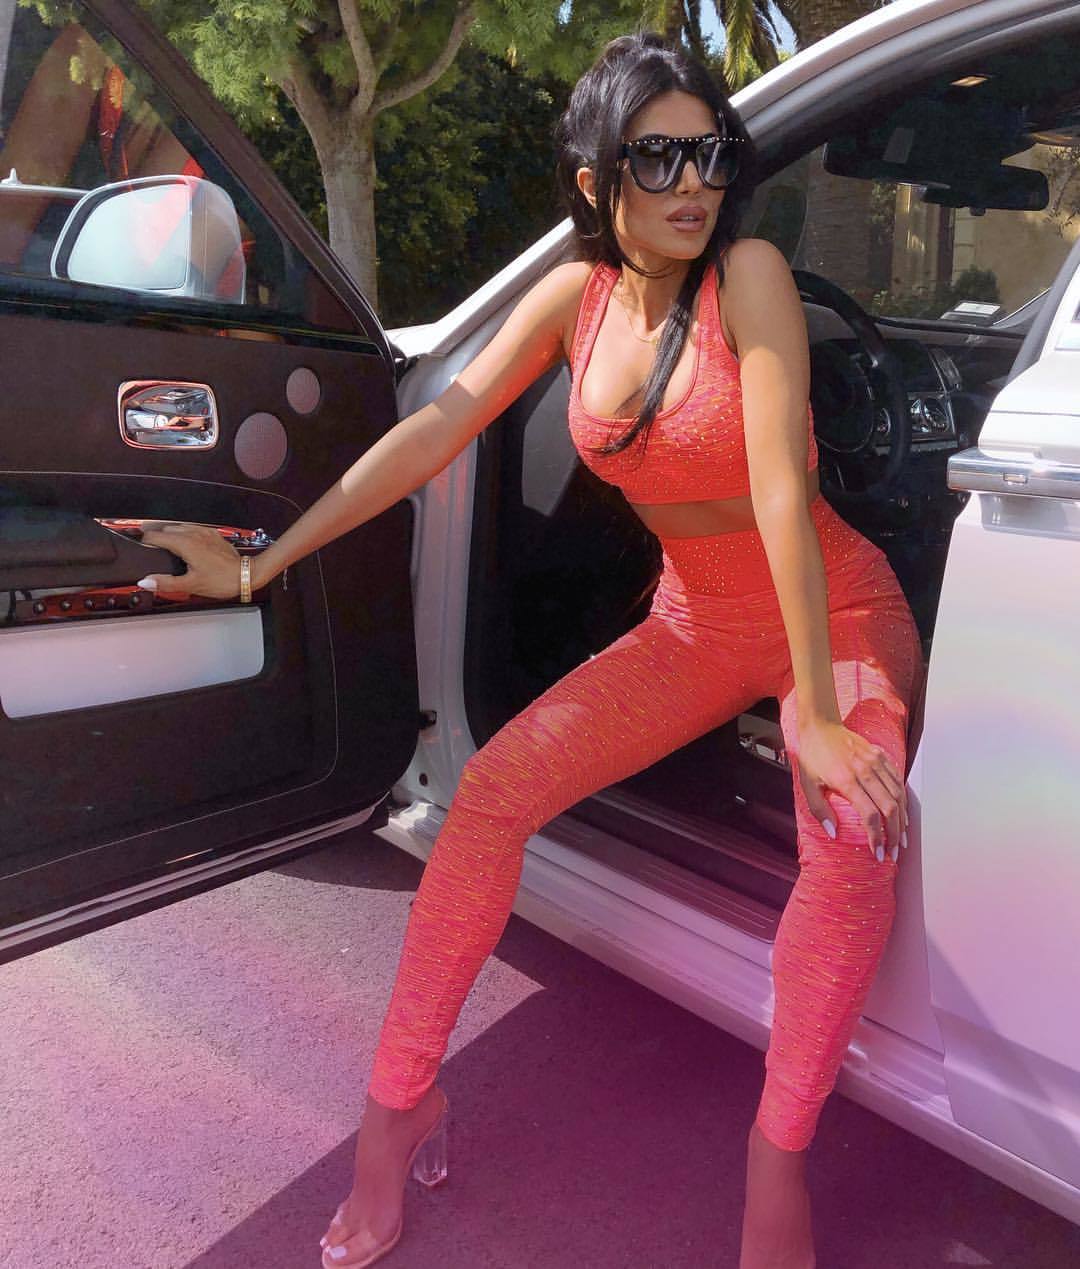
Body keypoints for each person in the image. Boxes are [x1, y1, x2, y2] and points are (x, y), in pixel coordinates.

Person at [139, 32, 922, 1269]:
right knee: (494, 790)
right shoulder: (577, 301)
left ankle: (777, 1168)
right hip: (698, 621)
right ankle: (396, 1110)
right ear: (596, 178)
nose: (692, 185)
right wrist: (258, 562)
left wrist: (816, 716)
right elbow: (434, 430)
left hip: (835, 607)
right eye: (657, 158)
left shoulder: (750, 274)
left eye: (710, 153)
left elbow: (782, 486)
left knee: (852, 828)